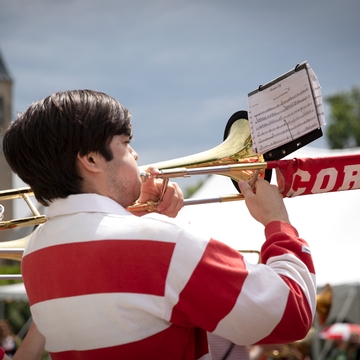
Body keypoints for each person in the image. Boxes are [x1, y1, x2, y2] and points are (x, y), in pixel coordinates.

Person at [2, 89, 317, 359]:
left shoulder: (35, 255)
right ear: (92, 159)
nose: (136, 155)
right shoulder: (159, 242)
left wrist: (139, 220)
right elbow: (292, 314)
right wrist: (278, 223)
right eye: (125, 143)